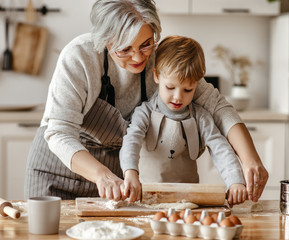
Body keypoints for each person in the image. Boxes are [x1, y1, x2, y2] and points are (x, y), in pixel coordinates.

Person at [24, 0, 268, 202]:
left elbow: (219, 108)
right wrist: (100, 174)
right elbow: (60, 133)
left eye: (146, 44)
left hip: (118, 178)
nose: (139, 57)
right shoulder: (79, 57)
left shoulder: (162, 59)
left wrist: (250, 160)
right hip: (58, 172)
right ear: (105, 40)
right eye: (124, 49)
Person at [120, 35, 247, 207]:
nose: (178, 97)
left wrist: (235, 181)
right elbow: (131, 141)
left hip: (187, 201)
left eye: (188, 89)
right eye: (170, 87)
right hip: (145, 198)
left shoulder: (201, 117)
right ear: (156, 76)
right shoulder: (144, 113)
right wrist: (130, 173)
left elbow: (221, 148)